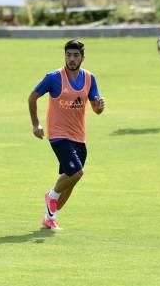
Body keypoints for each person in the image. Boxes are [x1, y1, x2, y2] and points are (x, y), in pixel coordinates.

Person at [28, 39, 106, 230]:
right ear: (65, 56)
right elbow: (33, 97)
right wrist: (36, 124)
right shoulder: (53, 78)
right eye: (68, 55)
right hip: (58, 135)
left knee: (70, 181)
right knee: (76, 172)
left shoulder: (89, 78)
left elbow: (96, 108)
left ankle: (49, 217)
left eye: (75, 55)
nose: (71, 59)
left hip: (79, 137)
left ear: (82, 58)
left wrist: (99, 106)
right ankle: (51, 196)